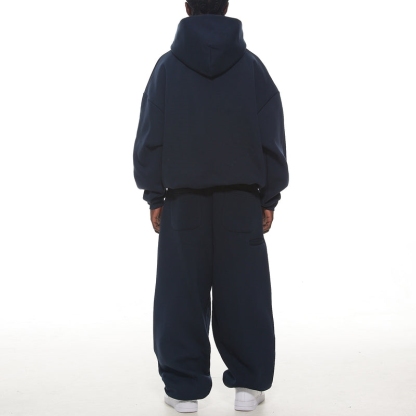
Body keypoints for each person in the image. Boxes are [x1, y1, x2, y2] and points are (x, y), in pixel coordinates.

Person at [132, 0, 289, 412]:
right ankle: (248, 387)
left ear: (187, 7)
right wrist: (269, 195)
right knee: (246, 294)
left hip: (183, 201)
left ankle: (183, 390)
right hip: (242, 200)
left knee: (180, 295)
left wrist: (154, 194)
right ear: (226, 5)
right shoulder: (252, 68)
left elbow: (150, 136)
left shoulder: (167, 68)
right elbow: (271, 134)